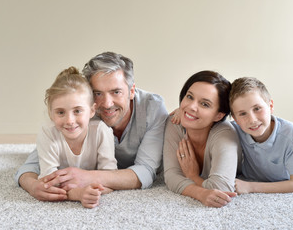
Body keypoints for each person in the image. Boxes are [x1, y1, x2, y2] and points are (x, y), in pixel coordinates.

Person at [15, 52, 169, 202]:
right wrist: (34, 186)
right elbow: (33, 164)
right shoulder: (81, 111)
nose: (107, 104)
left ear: (131, 91)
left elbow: (146, 171)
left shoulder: (152, 108)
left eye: (116, 92)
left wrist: (88, 177)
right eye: (98, 93)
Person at [36, 67, 117, 208]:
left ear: (92, 110)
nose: (69, 120)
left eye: (77, 111)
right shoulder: (47, 132)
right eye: (60, 112)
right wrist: (78, 194)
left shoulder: (101, 131)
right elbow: (48, 184)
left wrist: (92, 190)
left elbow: (110, 177)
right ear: (50, 113)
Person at [163, 71, 242, 208]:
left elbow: (221, 188)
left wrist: (192, 176)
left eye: (204, 104)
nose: (191, 107)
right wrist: (200, 193)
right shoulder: (175, 122)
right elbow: (171, 176)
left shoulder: (225, 132)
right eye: (189, 97)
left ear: (218, 115)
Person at [229, 77, 293, 194]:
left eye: (257, 108)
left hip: (286, 179)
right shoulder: (234, 130)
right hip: (255, 175)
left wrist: (250, 187)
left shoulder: (291, 134)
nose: (252, 120)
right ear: (235, 119)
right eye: (243, 114)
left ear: (270, 106)